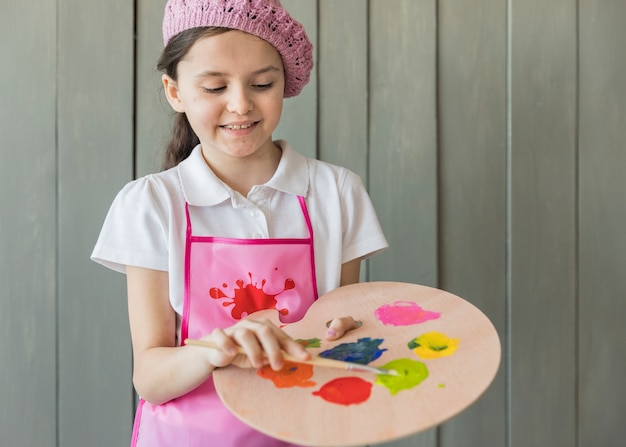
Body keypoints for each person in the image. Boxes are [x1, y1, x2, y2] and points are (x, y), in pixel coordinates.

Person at [92, 0, 388, 445]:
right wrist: (221, 347)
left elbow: (341, 334)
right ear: (175, 91)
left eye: (262, 83)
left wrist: (347, 335)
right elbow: (150, 376)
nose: (240, 105)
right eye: (214, 88)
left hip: (307, 432)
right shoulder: (151, 204)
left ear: (284, 82)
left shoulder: (337, 194)